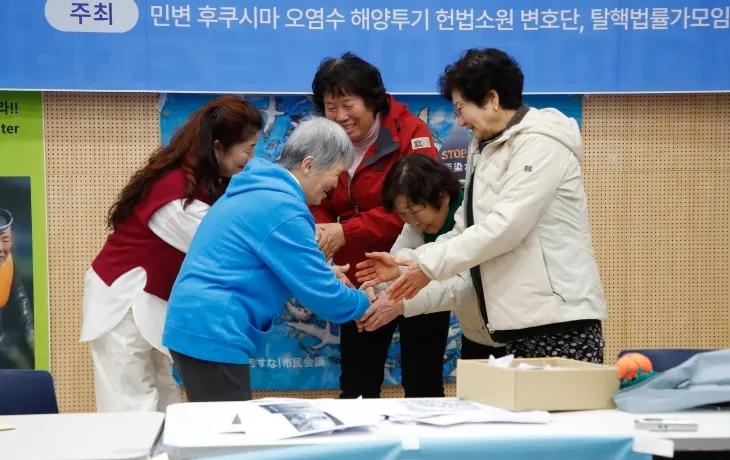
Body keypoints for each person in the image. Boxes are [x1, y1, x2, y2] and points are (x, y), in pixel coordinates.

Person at [387, 48, 608, 363]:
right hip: (516, 323)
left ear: (491, 98)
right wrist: (403, 264)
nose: (460, 120)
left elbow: (505, 228)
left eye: (461, 108)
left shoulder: (541, 144)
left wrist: (427, 266)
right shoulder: (483, 148)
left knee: (563, 411)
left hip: (558, 320)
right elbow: (465, 230)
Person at [162, 117, 374, 403]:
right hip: (214, 328)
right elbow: (319, 293)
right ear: (309, 165)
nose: (335, 186)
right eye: (335, 174)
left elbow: (285, 268)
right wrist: (365, 304)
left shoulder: (263, 191)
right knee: (229, 439)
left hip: (202, 322)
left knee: (220, 434)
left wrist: (324, 273)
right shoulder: (281, 206)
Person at [79, 95, 263, 412]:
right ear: (218, 147)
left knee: (166, 398)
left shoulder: (205, 184)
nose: (252, 157)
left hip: (150, 307)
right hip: (124, 305)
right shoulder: (176, 195)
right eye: (248, 148)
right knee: (130, 406)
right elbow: (233, 251)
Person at [309, 52, 448, 399]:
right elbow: (316, 200)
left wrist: (347, 231)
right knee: (357, 384)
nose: (340, 116)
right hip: (362, 280)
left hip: (416, 271)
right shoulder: (323, 141)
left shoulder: (411, 132)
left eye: (348, 104)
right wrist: (323, 232)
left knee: (423, 383)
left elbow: (418, 209)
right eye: (330, 106)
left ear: (371, 100)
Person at [353, 154, 506, 360]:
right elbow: (397, 261)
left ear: (442, 195)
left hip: (510, 332)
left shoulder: (474, 216)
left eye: (415, 211)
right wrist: (372, 288)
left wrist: (400, 305)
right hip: (476, 335)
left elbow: (466, 287)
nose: (412, 221)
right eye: (402, 214)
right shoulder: (414, 227)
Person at [0, 208, 34, 369]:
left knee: (23, 362)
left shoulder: (8, 263)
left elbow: (20, 296)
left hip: (5, 332)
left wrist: (29, 330)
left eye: (5, 240)